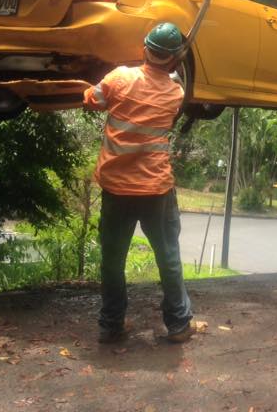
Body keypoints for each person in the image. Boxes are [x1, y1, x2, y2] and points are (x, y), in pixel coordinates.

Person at [82, 22, 195, 344]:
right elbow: (173, 102)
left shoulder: (119, 78)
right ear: (174, 59)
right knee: (168, 256)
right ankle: (178, 324)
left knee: (112, 260)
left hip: (116, 188)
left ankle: (111, 325)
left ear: (145, 49)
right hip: (155, 190)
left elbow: (91, 100)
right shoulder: (175, 93)